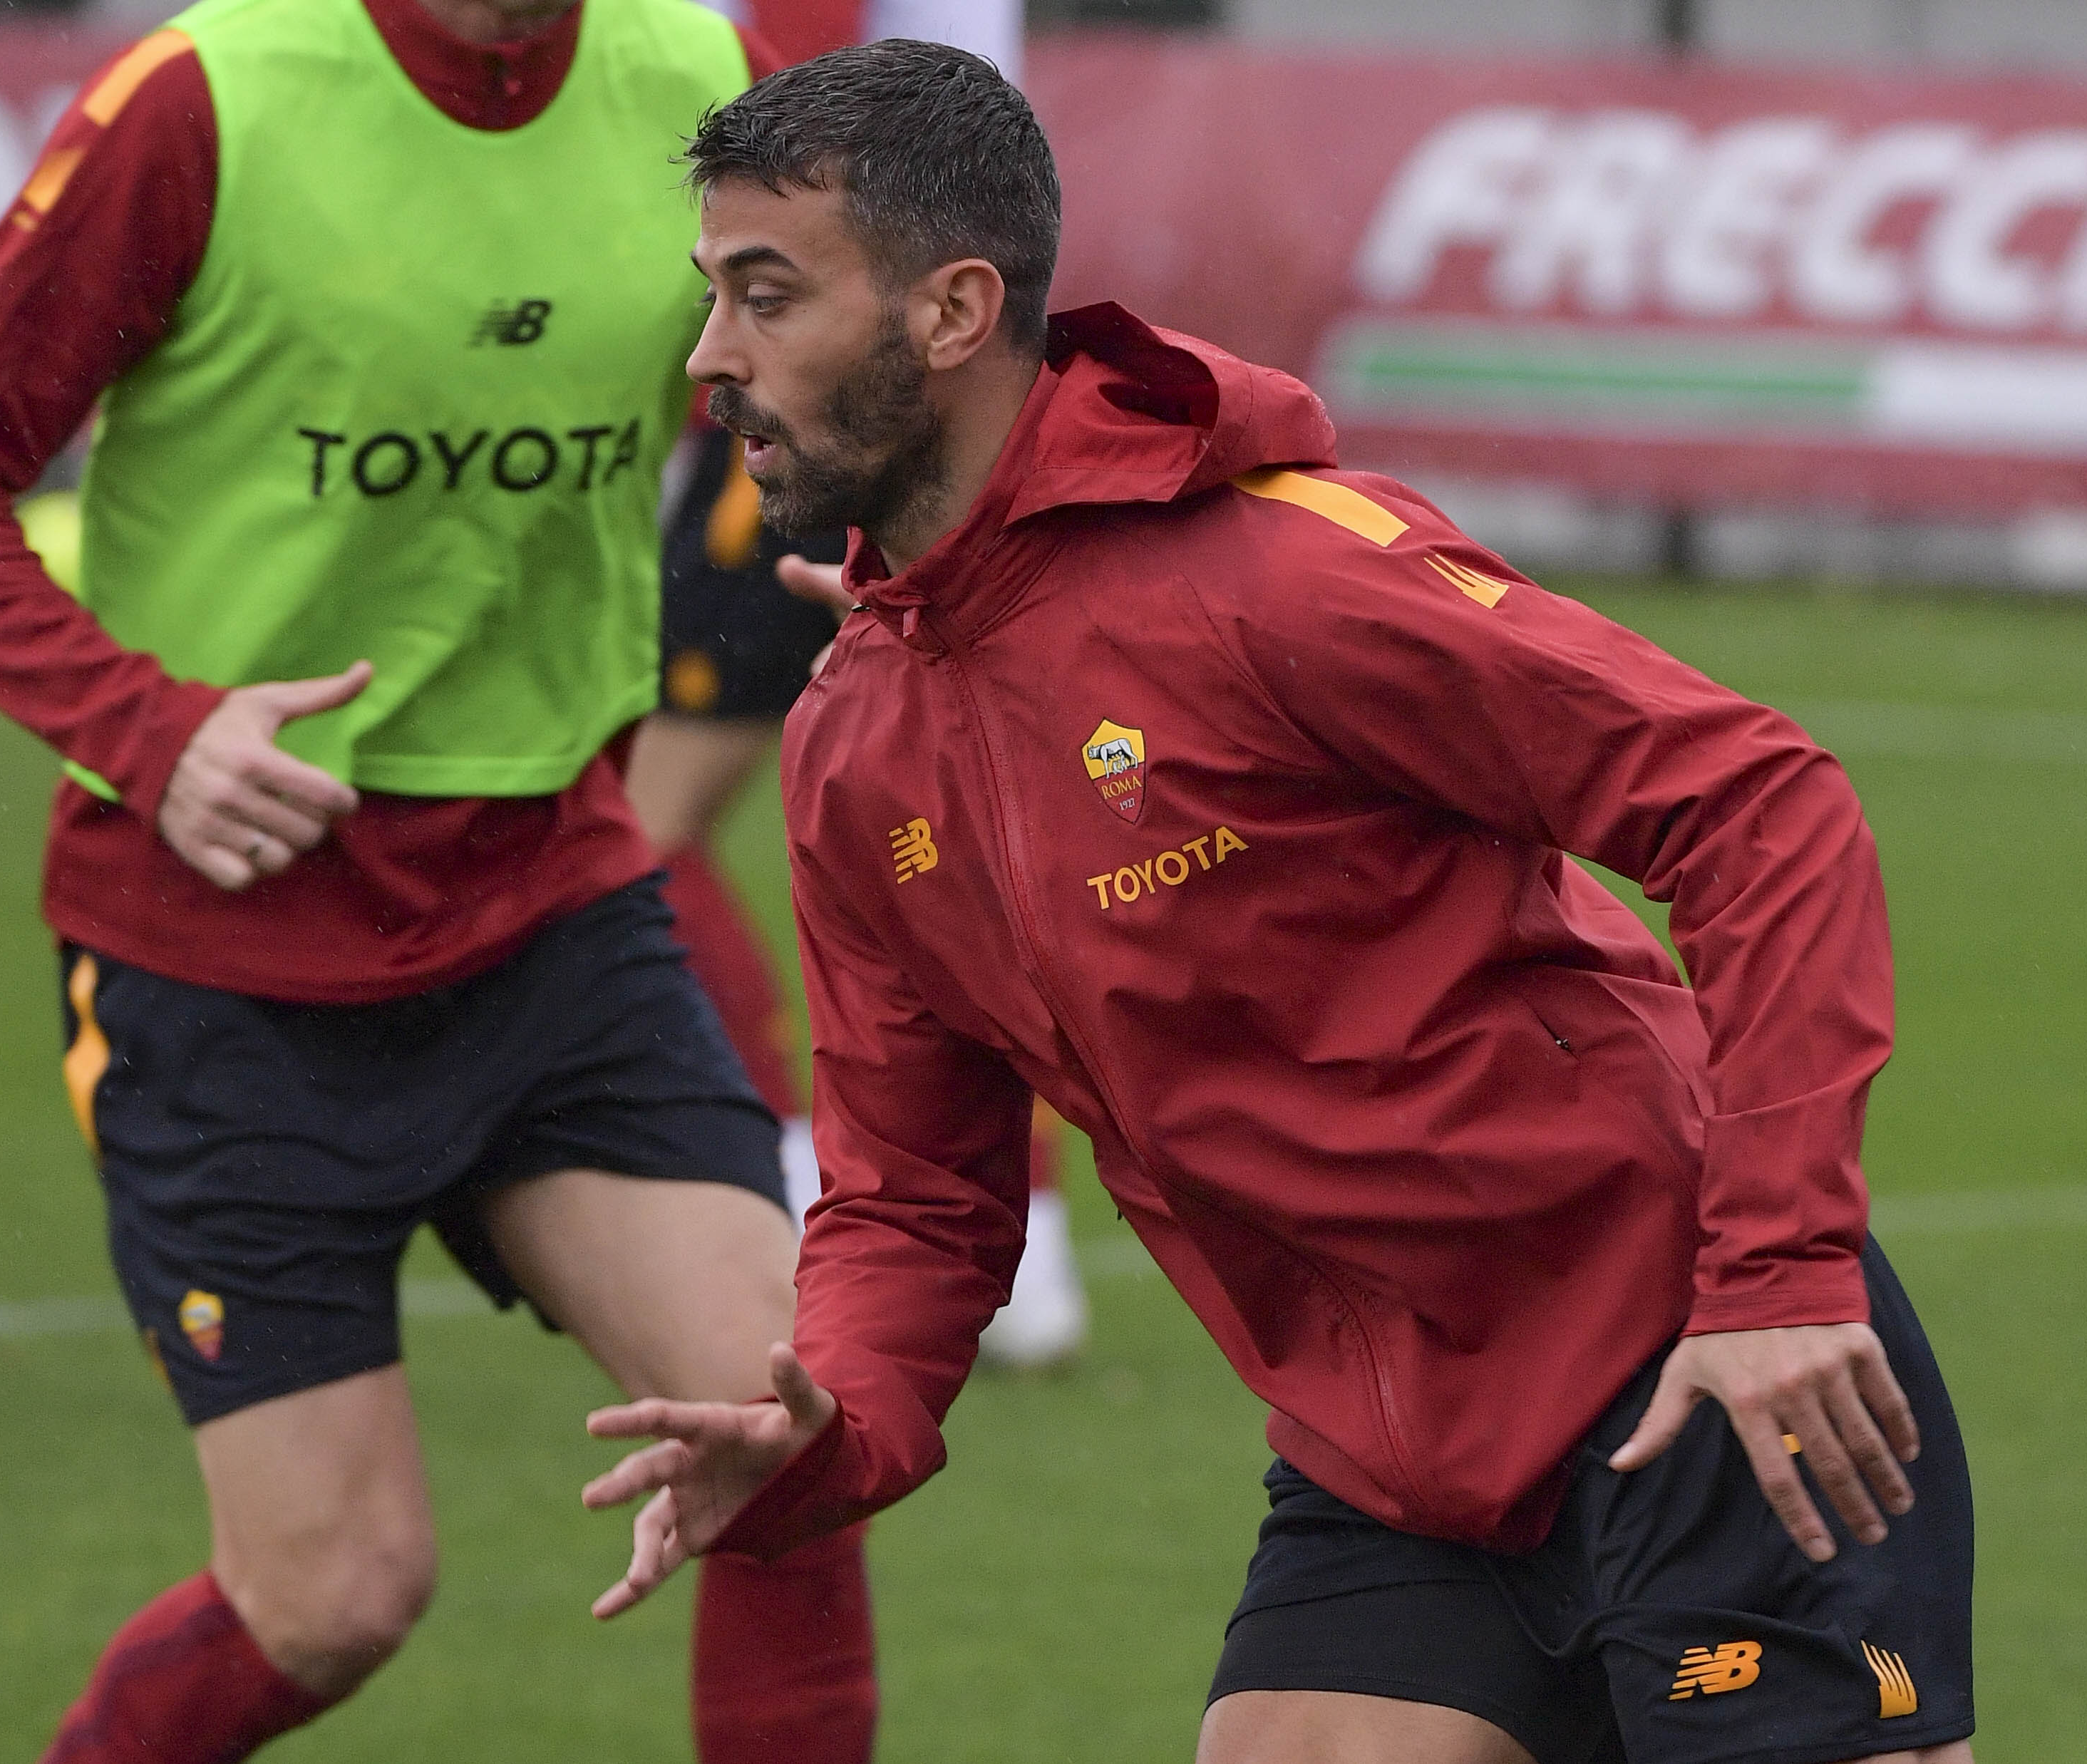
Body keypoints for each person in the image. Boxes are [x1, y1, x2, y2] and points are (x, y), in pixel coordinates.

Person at [584, 40, 1978, 1764]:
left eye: (764, 294)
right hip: (1383, 1456)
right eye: (712, 296)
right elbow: (919, 1200)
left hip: (1693, 1359)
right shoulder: (855, 743)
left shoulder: (1280, 577)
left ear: (951, 312)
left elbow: (1755, 802)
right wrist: (830, 1429)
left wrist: (1774, 1277)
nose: (713, 357)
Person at [0, 1, 878, 1758]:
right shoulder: (210, 99)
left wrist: (915, 538)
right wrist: (151, 729)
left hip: (550, 901)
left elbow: (831, 377)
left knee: (791, 1435)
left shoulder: (694, 73)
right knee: (338, 1593)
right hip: (220, 950)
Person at [630, 420, 1088, 1365]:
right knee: (956, 842)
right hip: (927, 460)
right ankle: (1023, 1236)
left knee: (654, 832)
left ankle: (788, 1173)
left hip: (787, 471)